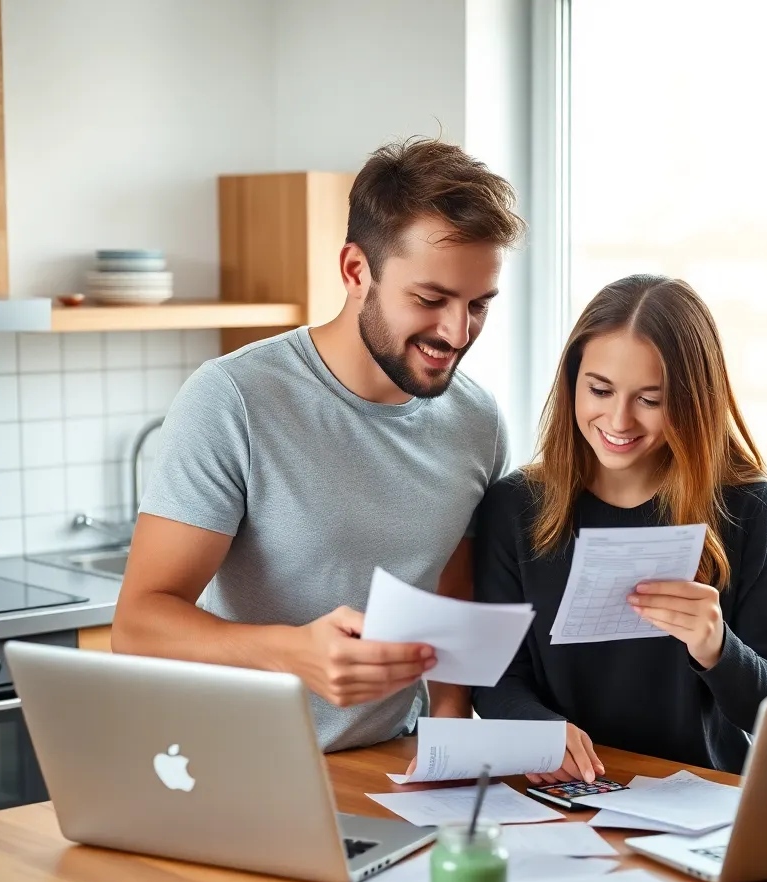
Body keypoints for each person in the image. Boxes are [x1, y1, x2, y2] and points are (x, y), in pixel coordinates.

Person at [113, 138, 524, 751]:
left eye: (479, 306)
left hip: (392, 763)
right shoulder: (234, 398)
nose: (456, 332)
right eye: (430, 299)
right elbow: (139, 624)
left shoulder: (476, 418)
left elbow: (450, 600)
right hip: (245, 763)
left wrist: (447, 748)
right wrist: (292, 652)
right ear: (356, 271)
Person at [473, 275, 767, 779]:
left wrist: (717, 647)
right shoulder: (515, 506)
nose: (619, 420)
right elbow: (495, 678)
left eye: (650, 399)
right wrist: (535, 728)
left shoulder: (746, 506)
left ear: (695, 401)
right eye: (600, 390)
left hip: (698, 798)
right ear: (572, 383)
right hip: (564, 789)